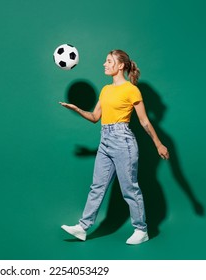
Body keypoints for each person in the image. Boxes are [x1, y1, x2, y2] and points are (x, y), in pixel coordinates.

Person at [59, 49, 169, 245]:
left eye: (108, 61)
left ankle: (141, 230)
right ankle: (83, 227)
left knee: (129, 188)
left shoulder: (131, 89)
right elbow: (95, 118)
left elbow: (144, 121)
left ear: (120, 66)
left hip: (123, 141)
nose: (104, 64)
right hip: (105, 140)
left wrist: (158, 143)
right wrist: (77, 109)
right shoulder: (105, 90)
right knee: (97, 186)